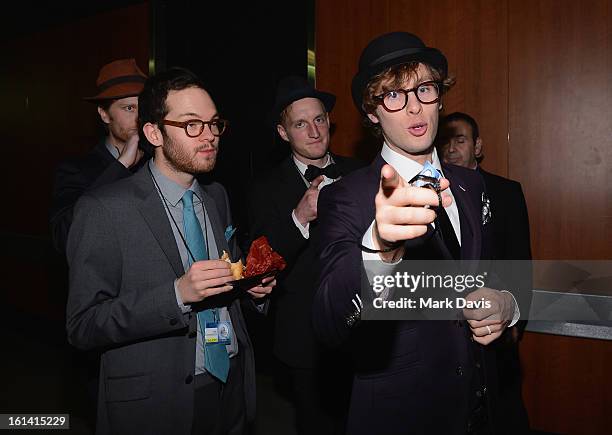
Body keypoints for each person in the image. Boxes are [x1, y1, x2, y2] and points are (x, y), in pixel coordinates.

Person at [312, 32, 521, 435]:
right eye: (393, 95)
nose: (413, 107)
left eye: (423, 89)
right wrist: (379, 249)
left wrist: (507, 304)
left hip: (481, 407)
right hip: (404, 413)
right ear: (372, 113)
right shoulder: (346, 197)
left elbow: (491, 271)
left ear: (439, 96)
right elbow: (328, 322)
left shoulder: (470, 185)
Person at [65, 67, 275, 435]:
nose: (209, 136)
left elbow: (227, 277)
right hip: (155, 404)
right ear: (153, 132)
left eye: (214, 124)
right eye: (192, 125)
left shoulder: (217, 196)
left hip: (230, 388)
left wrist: (249, 287)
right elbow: (83, 326)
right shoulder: (104, 208)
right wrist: (175, 295)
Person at [247, 76, 362, 435]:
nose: (314, 131)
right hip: (306, 340)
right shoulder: (264, 188)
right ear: (283, 133)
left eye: (320, 119)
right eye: (300, 124)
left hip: (367, 331)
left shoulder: (361, 173)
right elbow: (258, 266)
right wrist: (299, 218)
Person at [438, 111, 532, 434]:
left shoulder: (506, 192)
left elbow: (521, 260)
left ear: (477, 146)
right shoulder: (430, 194)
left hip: (499, 325)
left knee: (503, 413)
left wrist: (518, 319)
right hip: (449, 334)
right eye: (445, 142)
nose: (451, 148)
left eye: (460, 140)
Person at [50, 58, 149, 254]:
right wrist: (120, 167)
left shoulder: (157, 163)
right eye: (129, 108)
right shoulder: (76, 170)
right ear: (104, 114)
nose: (139, 117)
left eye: (143, 108)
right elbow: (64, 236)